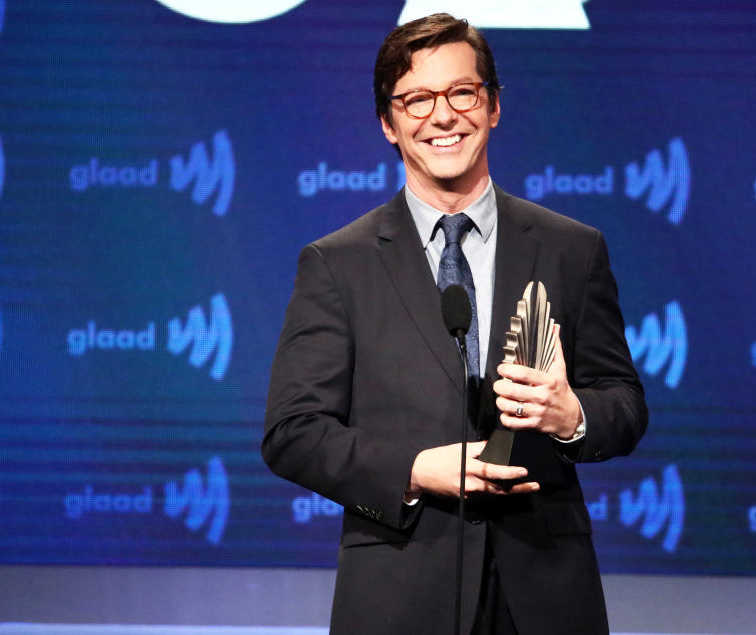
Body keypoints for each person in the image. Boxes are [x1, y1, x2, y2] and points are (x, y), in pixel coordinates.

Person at [263, 13, 648, 635]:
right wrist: (414, 469)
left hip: (546, 589)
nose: (442, 116)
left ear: (493, 106)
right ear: (388, 123)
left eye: (462, 92)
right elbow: (294, 433)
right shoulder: (337, 265)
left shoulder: (571, 249)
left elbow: (625, 405)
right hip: (400, 590)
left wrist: (573, 417)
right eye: (416, 99)